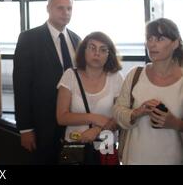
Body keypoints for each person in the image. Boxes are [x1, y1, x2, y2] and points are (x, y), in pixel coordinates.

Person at [13, 0, 81, 164]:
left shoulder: (77, 40)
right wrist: (25, 128)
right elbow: (21, 86)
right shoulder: (29, 38)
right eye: (60, 8)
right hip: (42, 125)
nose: (66, 13)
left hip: (73, 124)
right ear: (48, 8)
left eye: (69, 9)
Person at [113, 18, 183, 165]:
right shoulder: (135, 75)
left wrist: (175, 123)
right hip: (133, 159)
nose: (152, 44)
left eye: (160, 38)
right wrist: (136, 113)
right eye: (149, 38)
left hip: (173, 159)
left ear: (175, 43)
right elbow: (118, 112)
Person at [56, 31, 123, 164]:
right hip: (75, 144)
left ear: (109, 55)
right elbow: (61, 117)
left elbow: (120, 118)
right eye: (92, 47)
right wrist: (95, 118)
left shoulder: (115, 78)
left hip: (106, 145)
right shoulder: (70, 75)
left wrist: (97, 130)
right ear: (84, 50)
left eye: (103, 50)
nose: (97, 53)